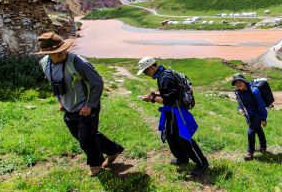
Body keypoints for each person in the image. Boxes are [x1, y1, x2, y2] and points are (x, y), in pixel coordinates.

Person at [37, 32, 124, 176]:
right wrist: (60, 100)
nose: (62, 53)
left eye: (63, 49)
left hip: (87, 106)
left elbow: (97, 82)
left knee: (86, 140)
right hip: (69, 107)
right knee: (83, 135)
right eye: (56, 52)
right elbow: (53, 83)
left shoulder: (77, 62)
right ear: (48, 53)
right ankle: (113, 150)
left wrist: (89, 105)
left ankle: (95, 166)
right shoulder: (45, 63)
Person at [137, 57, 208, 176]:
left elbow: (169, 100)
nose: (145, 74)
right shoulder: (164, 75)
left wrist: (152, 99)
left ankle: (202, 163)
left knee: (183, 138)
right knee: (171, 136)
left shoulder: (165, 77)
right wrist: (154, 94)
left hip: (178, 111)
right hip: (173, 111)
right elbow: (170, 92)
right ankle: (182, 158)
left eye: (145, 71)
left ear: (152, 67)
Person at [232, 73, 268, 161]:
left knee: (250, 133)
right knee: (258, 129)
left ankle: (250, 153)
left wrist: (263, 118)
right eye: (236, 82)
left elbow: (261, 105)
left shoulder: (254, 90)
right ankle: (263, 147)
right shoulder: (238, 92)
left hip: (257, 115)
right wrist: (240, 109)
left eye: (240, 81)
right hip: (249, 115)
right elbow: (240, 103)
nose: (238, 84)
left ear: (244, 81)